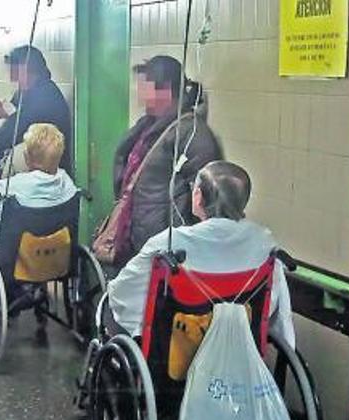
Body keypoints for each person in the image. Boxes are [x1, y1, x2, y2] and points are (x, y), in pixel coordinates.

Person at [106, 161, 296, 350]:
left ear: (198, 196)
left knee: (110, 307)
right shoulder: (263, 242)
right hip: (237, 344)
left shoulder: (169, 244)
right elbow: (272, 308)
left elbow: (123, 293)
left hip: (178, 350)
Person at [111, 56, 222, 265]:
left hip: (166, 247)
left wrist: (183, 238)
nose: (140, 94)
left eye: (145, 86)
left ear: (165, 90)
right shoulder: (148, 126)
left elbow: (207, 197)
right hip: (140, 237)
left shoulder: (191, 133)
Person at [0, 123, 77, 267]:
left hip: (16, 262)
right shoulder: (69, 185)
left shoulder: (8, 187)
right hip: (56, 258)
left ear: (27, 157)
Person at [0, 46, 73, 176]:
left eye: (14, 68)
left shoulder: (45, 96)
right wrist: (3, 114)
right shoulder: (27, 91)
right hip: (35, 166)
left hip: (47, 170)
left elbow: (10, 135)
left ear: (26, 68)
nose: (11, 75)